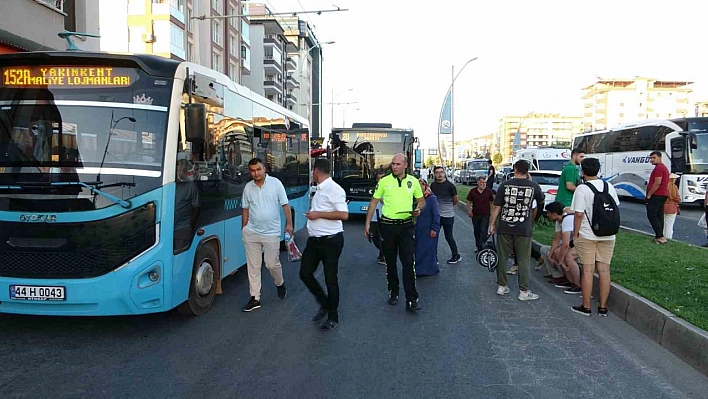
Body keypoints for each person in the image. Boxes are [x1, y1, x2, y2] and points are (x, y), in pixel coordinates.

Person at [365, 153, 425, 311]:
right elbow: (373, 202)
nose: (395, 166)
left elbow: (421, 201)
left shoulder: (413, 181)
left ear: (405, 165)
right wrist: (367, 224)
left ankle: (412, 299)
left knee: (407, 262)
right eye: (393, 163)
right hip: (388, 226)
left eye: (398, 164)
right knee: (390, 262)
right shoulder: (384, 181)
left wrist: (418, 209)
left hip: (406, 226)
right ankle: (394, 292)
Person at [300, 158, 349, 331]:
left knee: (330, 279)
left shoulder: (334, 189)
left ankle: (333, 316)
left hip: (331, 241)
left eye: (312, 170)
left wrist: (318, 214)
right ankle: (325, 303)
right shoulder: (319, 189)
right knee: (305, 273)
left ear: (316, 171)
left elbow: (343, 215)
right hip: (314, 241)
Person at [241, 158, 293, 312]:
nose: (255, 173)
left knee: (271, 263)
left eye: (258, 169)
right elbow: (245, 208)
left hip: (271, 233)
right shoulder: (248, 188)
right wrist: (244, 228)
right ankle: (255, 297)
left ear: (264, 169)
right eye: (252, 170)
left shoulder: (276, 184)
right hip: (252, 232)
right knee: (253, 266)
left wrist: (289, 224)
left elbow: (285, 205)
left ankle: (280, 283)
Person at [489, 160, 545, 301]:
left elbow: (497, 207)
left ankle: (502, 286)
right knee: (523, 259)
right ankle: (524, 291)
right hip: (523, 227)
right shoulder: (534, 186)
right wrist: (534, 219)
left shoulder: (505, 185)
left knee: (502, 256)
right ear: (528, 171)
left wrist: (492, 224)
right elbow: (541, 203)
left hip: (504, 226)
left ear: (514, 169)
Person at [571, 157, 620, 316]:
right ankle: (603, 307)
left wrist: (575, 233)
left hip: (587, 234)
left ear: (582, 171)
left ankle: (586, 306)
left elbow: (578, 214)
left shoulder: (582, 189)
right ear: (598, 170)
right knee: (604, 270)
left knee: (587, 270)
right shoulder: (609, 186)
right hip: (608, 235)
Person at [545, 201, 581, 294]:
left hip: (584, 241)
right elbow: (556, 240)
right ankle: (570, 281)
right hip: (575, 241)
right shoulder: (559, 221)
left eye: (548, 213)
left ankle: (578, 285)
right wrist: (550, 255)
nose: (547, 215)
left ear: (554, 214)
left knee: (568, 256)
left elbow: (565, 244)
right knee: (557, 252)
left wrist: (561, 262)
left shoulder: (567, 220)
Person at [430, 165, 461, 264]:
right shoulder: (433, 185)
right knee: (433, 236)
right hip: (436, 216)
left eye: (441, 172)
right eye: (437, 172)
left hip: (448, 216)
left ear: (444, 173)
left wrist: (447, 207)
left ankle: (456, 255)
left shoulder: (450, 186)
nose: (439, 174)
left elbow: (456, 200)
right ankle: (433, 257)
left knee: (449, 236)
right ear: (434, 174)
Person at [173, 159, 200, 252]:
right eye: (179, 170)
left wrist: (190, 226)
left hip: (182, 229)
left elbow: (196, 208)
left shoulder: (191, 186)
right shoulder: (170, 185)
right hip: (167, 228)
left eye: (183, 170)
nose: (181, 172)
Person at [415, 178, 440, 276]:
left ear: (425, 186)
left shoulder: (431, 198)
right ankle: (420, 269)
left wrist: (435, 228)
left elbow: (436, 214)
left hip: (429, 229)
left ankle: (427, 270)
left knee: (428, 250)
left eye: (422, 185)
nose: (420, 187)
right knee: (419, 249)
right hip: (419, 229)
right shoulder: (416, 198)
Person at [466, 176, 495, 252]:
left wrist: (492, 213)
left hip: (485, 214)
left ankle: (483, 246)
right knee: (477, 231)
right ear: (478, 183)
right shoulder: (473, 191)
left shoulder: (488, 191)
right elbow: (468, 201)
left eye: (485, 182)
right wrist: (469, 210)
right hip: (475, 214)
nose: (484, 184)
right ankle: (478, 246)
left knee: (483, 230)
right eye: (482, 182)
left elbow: (492, 202)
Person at [646, 151, 669, 244]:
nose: (651, 160)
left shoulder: (659, 168)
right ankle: (659, 236)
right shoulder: (662, 167)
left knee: (651, 215)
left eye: (653, 158)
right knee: (659, 215)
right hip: (663, 194)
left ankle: (660, 236)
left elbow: (657, 182)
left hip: (657, 194)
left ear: (660, 157)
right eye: (650, 158)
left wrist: (649, 194)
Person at [369, 171, 386, 265]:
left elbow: (386, 202)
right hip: (374, 216)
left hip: (383, 216)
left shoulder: (387, 189)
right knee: (374, 237)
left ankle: (384, 255)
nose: (380, 180)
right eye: (378, 178)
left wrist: (379, 196)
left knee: (381, 237)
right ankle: (383, 253)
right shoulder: (376, 188)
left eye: (382, 178)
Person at [663, 173, 681, 240]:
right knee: (669, 225)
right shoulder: (674, 187)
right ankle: (668, 238)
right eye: (675, 179)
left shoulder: (664, 186)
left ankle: (662, 236)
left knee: (663, 224)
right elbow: (677, 198)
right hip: (672, 208)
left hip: (663, 207)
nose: (676, 180)